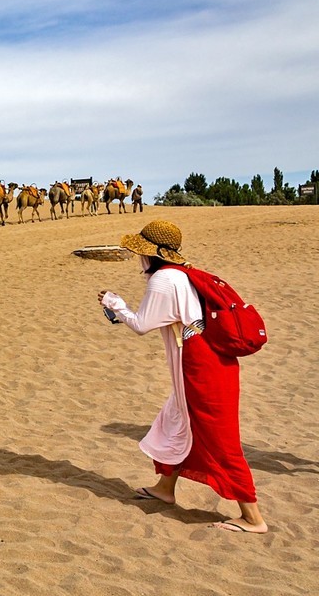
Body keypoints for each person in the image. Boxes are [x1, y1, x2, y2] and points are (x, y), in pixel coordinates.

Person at [97, 220, 267, 534]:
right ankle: (165, 488)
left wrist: (115, 304)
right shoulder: (183, 273)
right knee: (175, 420)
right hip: (211, 361)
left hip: (199, 366)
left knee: (218, 438)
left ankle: (253, 517)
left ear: (150, 253)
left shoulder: (163, 279)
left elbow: (141, 324)